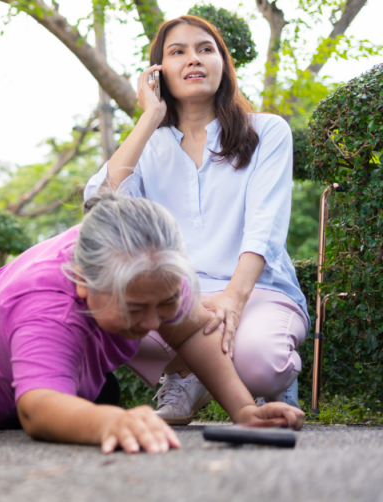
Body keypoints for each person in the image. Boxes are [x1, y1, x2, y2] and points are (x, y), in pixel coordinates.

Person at [0, 194, 303, 453]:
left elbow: (193, 329)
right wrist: (114, 421)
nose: (151, 324)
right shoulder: (46, 303)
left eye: (163, 305)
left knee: (91, 396)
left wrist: (245, 411)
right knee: (92, 405)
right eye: (135, 308)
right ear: (84, 282)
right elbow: (37, 412)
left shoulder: (149, 260)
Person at [82, 15, 309, 424]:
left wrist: (232, 300)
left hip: (257, 289)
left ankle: (272, 385)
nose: (194, 59)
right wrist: (149, 118)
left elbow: (266, 227)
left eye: (206, 49)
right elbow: (100, 207)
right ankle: (186, 373)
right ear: (158, 73)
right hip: (177, 299)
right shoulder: (148, 147)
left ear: (223, 64)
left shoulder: (268, 131)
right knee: (105, 324)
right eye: (178, 52)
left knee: (263, 363)